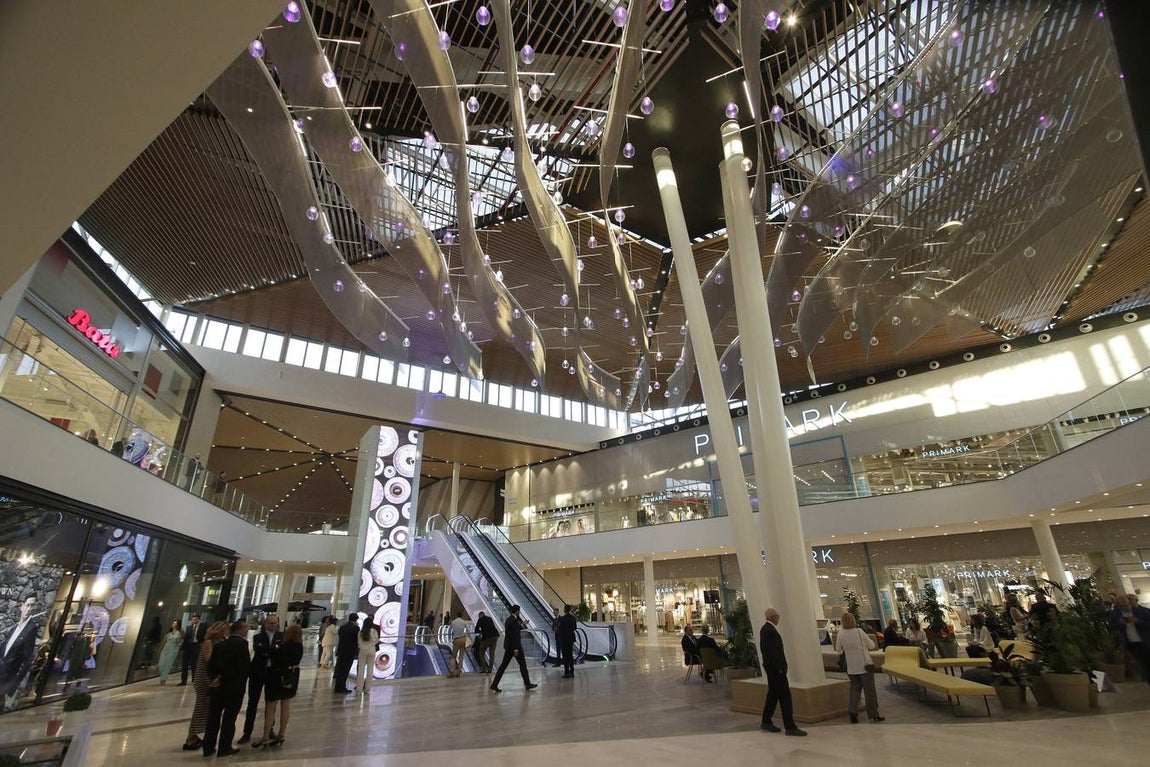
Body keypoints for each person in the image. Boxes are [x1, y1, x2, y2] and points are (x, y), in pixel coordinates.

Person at [203, 619, 250, 758]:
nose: (247, 630)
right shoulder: (241, 644)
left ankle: (208, 747)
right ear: (238, 630)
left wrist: (215, 679)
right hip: (233, 688)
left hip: (218, 688)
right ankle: (224, 747)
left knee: (213, 718)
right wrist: (224, 679)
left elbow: (210, 665)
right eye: (245, 627)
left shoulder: (219, 645)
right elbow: (242, 667)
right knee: (229, 719)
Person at [254, 623, 304, 748]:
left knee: (271, 706)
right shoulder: (299, 646)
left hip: (277, 676)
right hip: (292, 676)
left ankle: (265, 735)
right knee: (285, 705)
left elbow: (274, 657)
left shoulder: (282, 646)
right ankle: (281, 734)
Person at [759, 608, 806, 737]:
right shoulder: (770, 631)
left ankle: (766, 720)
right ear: (773, 617)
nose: (778, 618)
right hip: (776, 670)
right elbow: (773, 652)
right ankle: (790, 726)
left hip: (772, 669)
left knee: (773, 695)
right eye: (777, 616)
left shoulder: (766, 630)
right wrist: (780, 667)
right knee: (785, 697)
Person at [183, 620, 229, 751]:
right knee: (201, 706)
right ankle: (191, 737)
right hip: (204, 678)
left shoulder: (221, 642)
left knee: (206, 707)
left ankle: (194, 735)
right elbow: (209, 659)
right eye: (225, 629)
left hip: (212, 677)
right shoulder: (209, 642)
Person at [239, 614, 282, 745]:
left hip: (273, 673)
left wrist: (269, 650)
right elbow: (259, 650)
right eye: (271, 623)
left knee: (271, 703)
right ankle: (247, 732)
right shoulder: (258, 636)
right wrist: (273, 649)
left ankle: (269, 729)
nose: (273, 625)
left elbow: (279, 652)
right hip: (257, 672)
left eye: (275, 623)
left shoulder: (281, 637)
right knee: (253, 702)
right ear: (265, 623)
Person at [835, 611, 883, 723]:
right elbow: (872, 645)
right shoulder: (859, 631)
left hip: (851, 667)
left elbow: (838, 650)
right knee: (869, 691)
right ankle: (873, 714)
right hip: (865, 665)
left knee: (854, 690)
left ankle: (853, 712)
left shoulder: (841, 633)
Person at [1, 591, 44, 703]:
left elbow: (27, 661)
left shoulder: (31, 629)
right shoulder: (14, 628)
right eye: (28, 605)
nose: (29, 609)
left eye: (32, 606)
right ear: (22, 607)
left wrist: (12, 686)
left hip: (6, 681)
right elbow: (4, 651)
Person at [490, 605, 537, 693]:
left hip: (509, 647)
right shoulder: (513, 620)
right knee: (523, 665)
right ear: (517, 611)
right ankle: (527, 684)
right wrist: (516, 648)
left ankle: (494, 684)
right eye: (519, 611)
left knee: (503, 666)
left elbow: (515, 630)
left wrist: (523, 624)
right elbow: (514, 635)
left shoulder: (510, 619)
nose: (519, 612)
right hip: (515, 647)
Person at [1109, 594, 1150, 685]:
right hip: (1130, 644)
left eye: (1126, 605)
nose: (1124, 608)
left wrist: (1137, 621)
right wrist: (1122, 624)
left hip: (1145, 642)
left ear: (1130, 603)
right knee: (1142, 667)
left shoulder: (1142, 612)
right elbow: (1111, 627)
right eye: (1121, 606)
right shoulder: (1115, 614)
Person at [333, 613, 359, 693]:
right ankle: (342, 686)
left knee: (340, 669)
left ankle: (337, 686)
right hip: (350, 652)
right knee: (345, 670)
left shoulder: (342, 627)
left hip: (341, 651)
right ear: (356, 620)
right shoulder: (356, 628)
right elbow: (356, 640)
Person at [179, 613, 206, 685]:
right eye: (193, 619)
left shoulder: (203, 627)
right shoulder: (189, 627)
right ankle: (183, 680)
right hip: (188, 646)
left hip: (196, 645)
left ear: (199, 620)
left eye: (195, 619)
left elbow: (205, 636)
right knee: (184, 664)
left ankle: (194, 679)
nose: (194, 621)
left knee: (194, 663)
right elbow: (186, 638)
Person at [356, 617, 379, 692]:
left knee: (361, 669)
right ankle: (367, 689)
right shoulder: (374, 631)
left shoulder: (361, 632)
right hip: (372, 650)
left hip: (362, 651)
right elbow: (376, 640)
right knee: (370, 670)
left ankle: (359, 689)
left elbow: (358, 642)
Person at [157, 620, 183, 684]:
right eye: (173, 623)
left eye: (176, 623)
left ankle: (163, 679)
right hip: (166, 648)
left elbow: (181, 641)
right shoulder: (168, 633)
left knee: (168, 664)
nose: (174, 624)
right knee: (161, 664)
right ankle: (163, 676)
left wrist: (179, 646)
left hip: (173, 649)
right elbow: (164, 641)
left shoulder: (180, 632)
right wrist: (159, 650)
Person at [555, 605, 577, 678]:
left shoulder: (563, 619)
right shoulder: (573, 618)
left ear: (565, 610)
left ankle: (567, 672)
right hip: (571, 638)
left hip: (564, 639)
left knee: (565, 656)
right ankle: (572, 671)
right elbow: (575, 627)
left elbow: (559, 629)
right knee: (570, 655)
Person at [448, 613, 469, 678]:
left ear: (457, 616)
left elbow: (450, 630)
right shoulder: (464, 622)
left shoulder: (453, 622)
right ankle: (459, 672)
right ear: (462, 616)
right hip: (463, 639)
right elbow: (467, 630)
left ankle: (452, 672)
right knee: (461, 656)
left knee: (453, 656)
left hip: (456, 639)